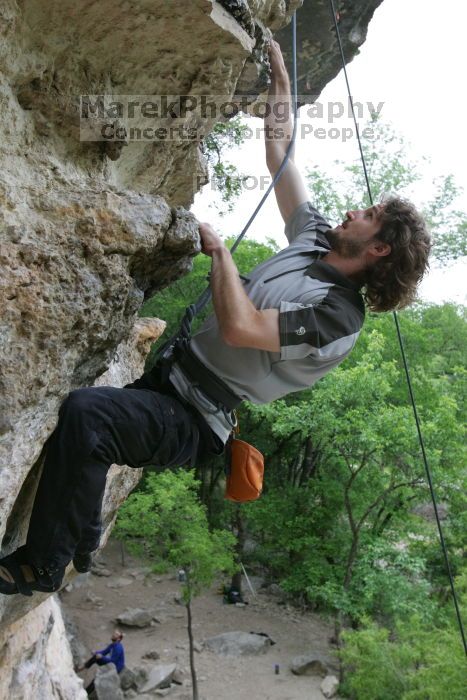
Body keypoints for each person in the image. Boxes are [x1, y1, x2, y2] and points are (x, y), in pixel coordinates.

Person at [0, 42, 431, 597]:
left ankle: (43, 564)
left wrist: (222, 256)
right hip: (170, 381)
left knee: (90, 415)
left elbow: (242, 330)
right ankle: (82, 538)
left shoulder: (338, 319)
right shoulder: (315, 239)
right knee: (92, 434)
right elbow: (281, 156)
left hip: (196, 419)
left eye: (368, 217)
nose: (354, 211)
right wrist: (282, 88)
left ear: (380, 251)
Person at [77, 629, 125, 694]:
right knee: (95, 657)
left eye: (116, 635)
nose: (113, 635)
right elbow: (104, 652)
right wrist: (96, 652)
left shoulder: (118, 648)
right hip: (110, 663)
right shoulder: (112, 645)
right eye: (114, 633)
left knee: (97, 678)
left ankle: (86, 693)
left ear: (119, 639)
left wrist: (102, 657)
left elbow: (113, 660)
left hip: (115, 668)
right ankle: (82, 668)